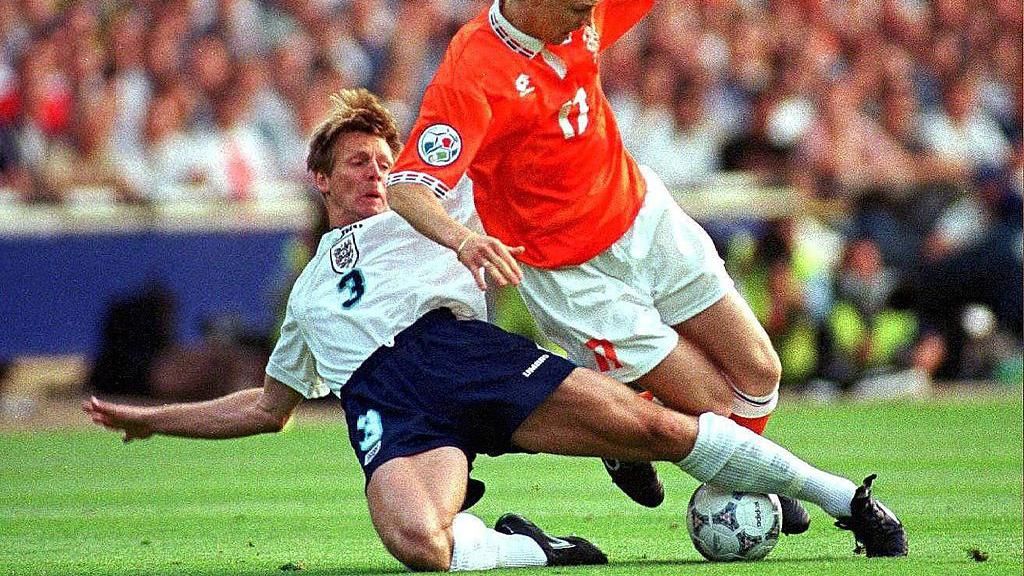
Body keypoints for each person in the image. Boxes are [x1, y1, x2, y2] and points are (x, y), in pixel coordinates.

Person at [85, 88, 907, 572]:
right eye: (360, 162)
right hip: (393, 412)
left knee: (661, 426)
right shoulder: (303, 297)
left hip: (462, 356)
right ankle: (534, 549)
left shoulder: (433, 206)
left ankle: (842, 499)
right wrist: (152, 420)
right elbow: (267, 408)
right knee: (419, 546)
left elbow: (522, 167)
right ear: (321, 176)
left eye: (386, 160)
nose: (379, 174)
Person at [384, 0, 806, 527]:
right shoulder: (472, 69)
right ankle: (744, 481)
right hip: (570, 274)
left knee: (761, 371)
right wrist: (463, 240)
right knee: (716, 404)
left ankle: (734, 478)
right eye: (576, 12)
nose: (589, 23)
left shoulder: (579, 12)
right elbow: (406, 186)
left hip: (641, 216)